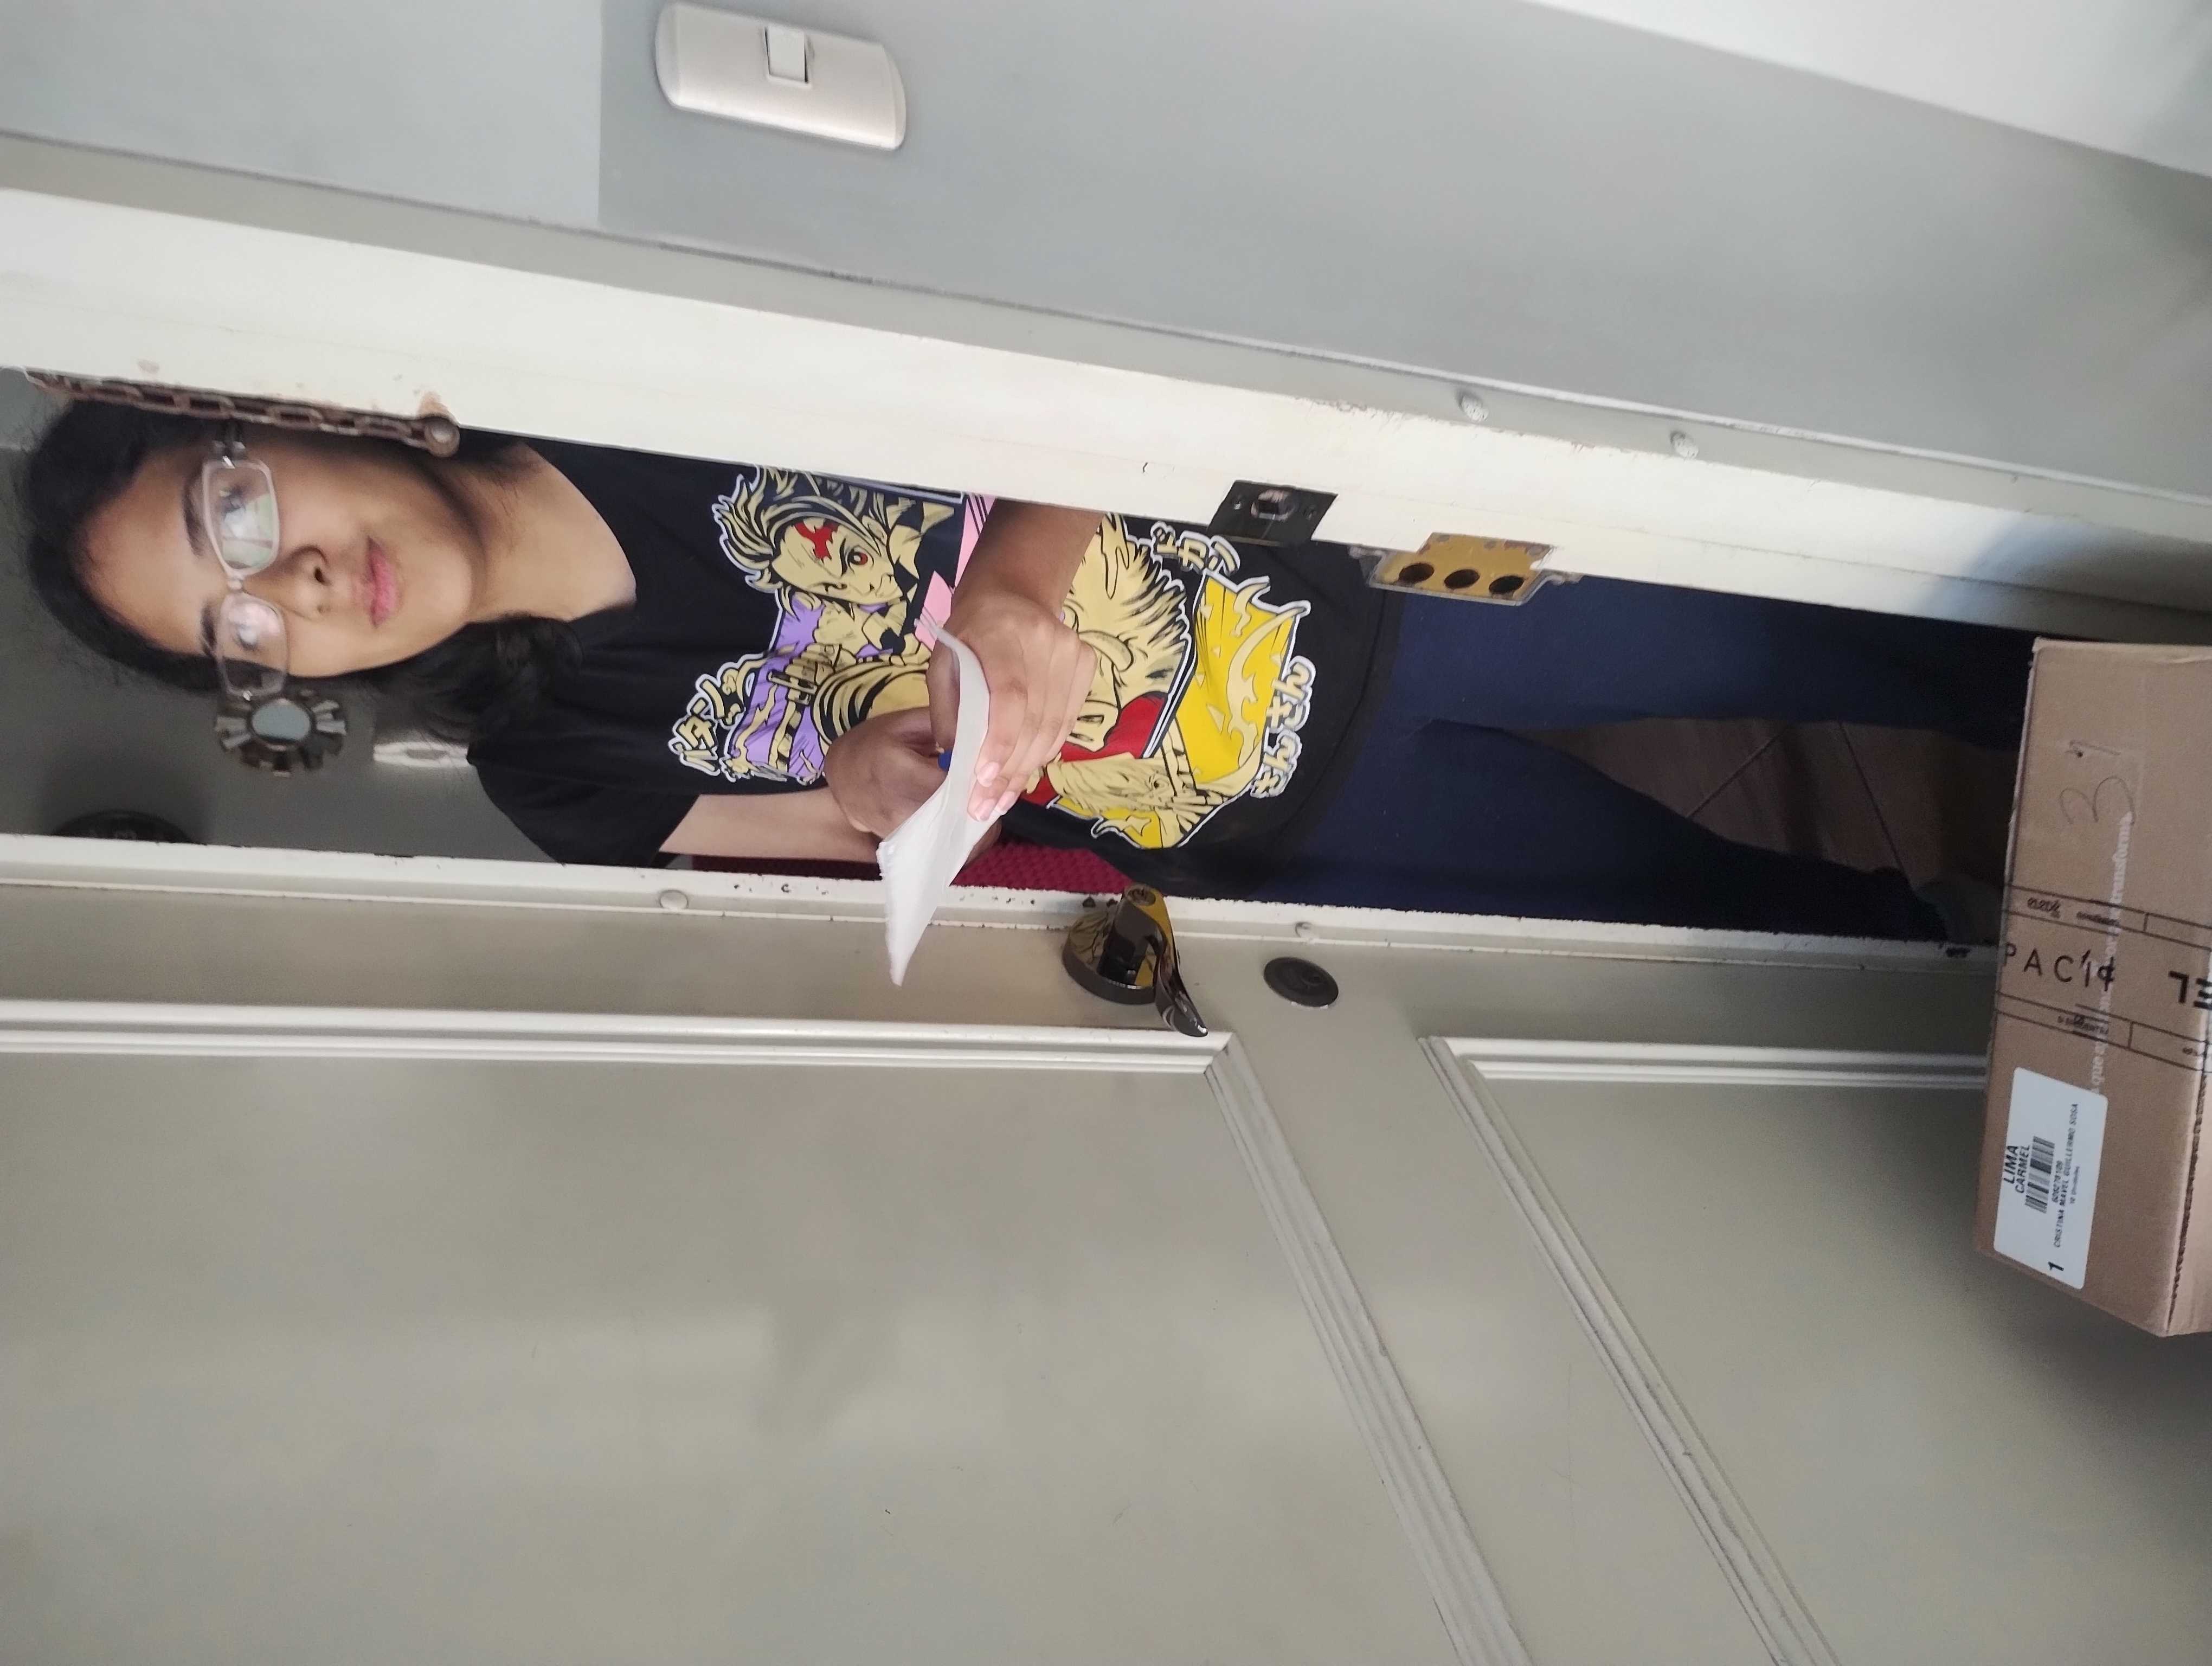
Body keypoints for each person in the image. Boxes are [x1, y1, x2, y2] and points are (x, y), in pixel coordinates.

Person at [17, 403, 2032, 937]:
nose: (294, 587)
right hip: (1296, 826)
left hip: (1366, 582)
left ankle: (2122, 733)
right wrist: (878, 791)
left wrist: (1014, 589)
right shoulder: (556, 774)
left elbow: (1047, 398)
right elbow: (869, 835)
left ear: (283, 426)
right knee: (1755, 935)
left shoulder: (632, 375)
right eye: (234, 628)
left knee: (1871, 646)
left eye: (233, 510)